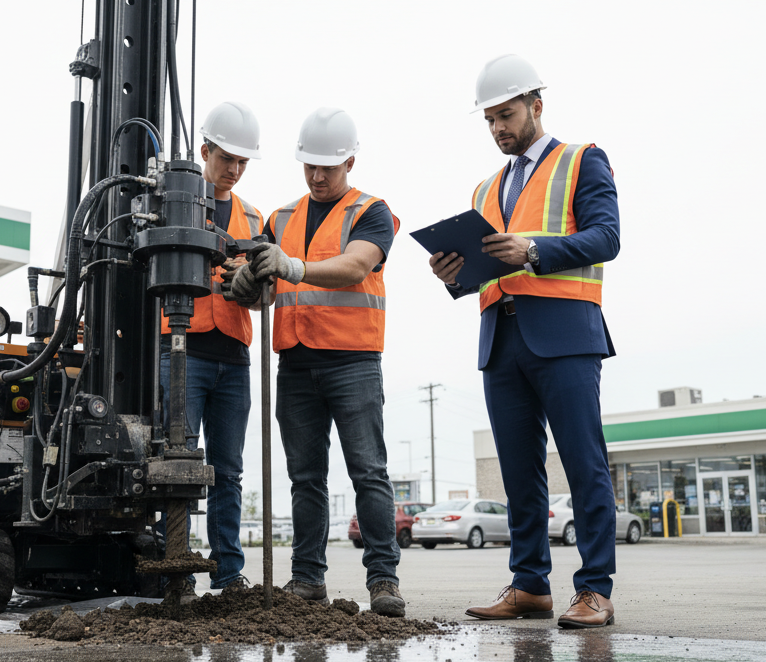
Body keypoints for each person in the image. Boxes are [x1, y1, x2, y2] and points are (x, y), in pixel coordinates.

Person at [429, 55, 621, 627]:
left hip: (564, 333)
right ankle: (530, 585)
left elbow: (607, 237)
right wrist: (453, 274)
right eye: (489, 120)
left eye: (506, 116)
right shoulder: (485, 187)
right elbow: (486, 268)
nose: (497, 129)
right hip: (501, 338)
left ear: (536, 106)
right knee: (518, 473)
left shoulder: (581, 160)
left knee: (585, 464)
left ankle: (594, 590)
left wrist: (534, 250)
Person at [228, 107, 405, 617]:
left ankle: (383, 580)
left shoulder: (370, 210)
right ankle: (307, 579)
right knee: (305, 478)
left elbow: (355, 267)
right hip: (297, 362)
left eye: (327, 167)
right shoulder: (279, 219)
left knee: (368, 472)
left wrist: (292, 266)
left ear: (349, 161)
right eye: (309, 165)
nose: (317, 176)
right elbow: (265, 292)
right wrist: (247, 287)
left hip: (353, 361)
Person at [158, 101, 265, 595]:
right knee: (173, 464)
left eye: (243, 162)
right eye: (227, 158)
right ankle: (173, 567)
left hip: (233, 357)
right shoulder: (170, 200)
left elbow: (267, 295)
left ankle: (228, 573)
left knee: (229, 471)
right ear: (204, 150)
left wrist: (252, 286)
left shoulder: (254, 217)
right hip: (182, 349)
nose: (235, 170)